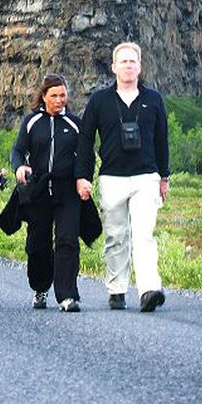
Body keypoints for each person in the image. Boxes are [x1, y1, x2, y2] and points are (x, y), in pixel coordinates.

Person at [76, 42, 170, 313]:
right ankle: (116, 289)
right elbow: (85, 140)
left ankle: (149, 289)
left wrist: (164, 176)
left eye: (133, 62)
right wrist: (83, 176)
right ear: (114, 66)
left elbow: (162, 139)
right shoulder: (99, 101)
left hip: (146, 177)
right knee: (116, 236)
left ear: (140, 67)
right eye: (124, 62)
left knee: (144, 235)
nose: (128, 66)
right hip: (112, 178)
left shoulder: (153, 99)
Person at [11, 73, 82, 312]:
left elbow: (85, 156)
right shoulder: (31, 122)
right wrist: (19, 166)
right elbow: (18, 151)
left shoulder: (74, 124)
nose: (59, 100)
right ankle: (40, 288)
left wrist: (84, 179)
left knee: (67, 240)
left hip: (67, 191)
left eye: (63, 95)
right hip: (39, 191)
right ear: (43, 96)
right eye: (54, 96)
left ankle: (67, 295)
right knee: (38, 243)